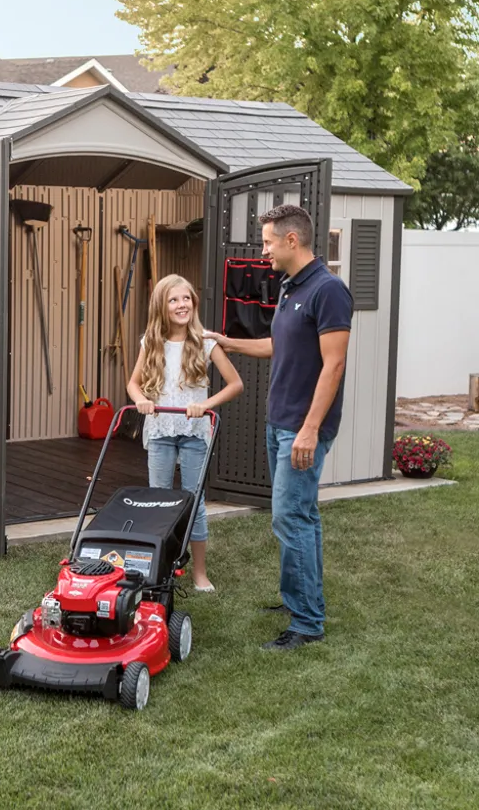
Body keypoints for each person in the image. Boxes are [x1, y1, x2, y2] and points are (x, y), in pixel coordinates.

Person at [204, 204, 351, 650]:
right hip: (279, 422)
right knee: (300, 516)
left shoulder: (329, 291)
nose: (263, 249)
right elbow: (278, 343)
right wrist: (229, 342)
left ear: (292, 240)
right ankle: (300, 600)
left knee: (290, 518)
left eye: (268, 241)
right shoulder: (290, 288)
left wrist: (309, 429)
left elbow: (334, 365)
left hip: (301, 428)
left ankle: (307, 623)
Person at [128, 274, 243, 593]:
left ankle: (200, 573)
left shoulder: (206, 341)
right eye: (173, 300)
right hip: (162, 428)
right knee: (158, 500)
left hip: (194, 431)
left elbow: (236, 384)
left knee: (194, 500)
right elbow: (133, 383)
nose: (181, 305)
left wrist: (204, 404)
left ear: (193, 302)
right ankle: (158, 567)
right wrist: (141, 400)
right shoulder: (151, 342)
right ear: (161, 307)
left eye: (186, 299)